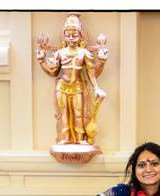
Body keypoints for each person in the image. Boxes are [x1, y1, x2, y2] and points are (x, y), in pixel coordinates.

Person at [36, 13, 108, 145]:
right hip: (62, 87)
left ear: (80, 35)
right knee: (63, 114)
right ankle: (64, 138)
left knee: (78, 113)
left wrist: (97, 86)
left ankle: (80, 138)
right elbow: (53, 72)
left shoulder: (84, 53)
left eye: (74, 34)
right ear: (64, 36)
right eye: (68, 34)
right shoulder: (60, 53)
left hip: (78, 87)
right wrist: (41, 61)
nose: (71, 37)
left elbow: (92, 73)